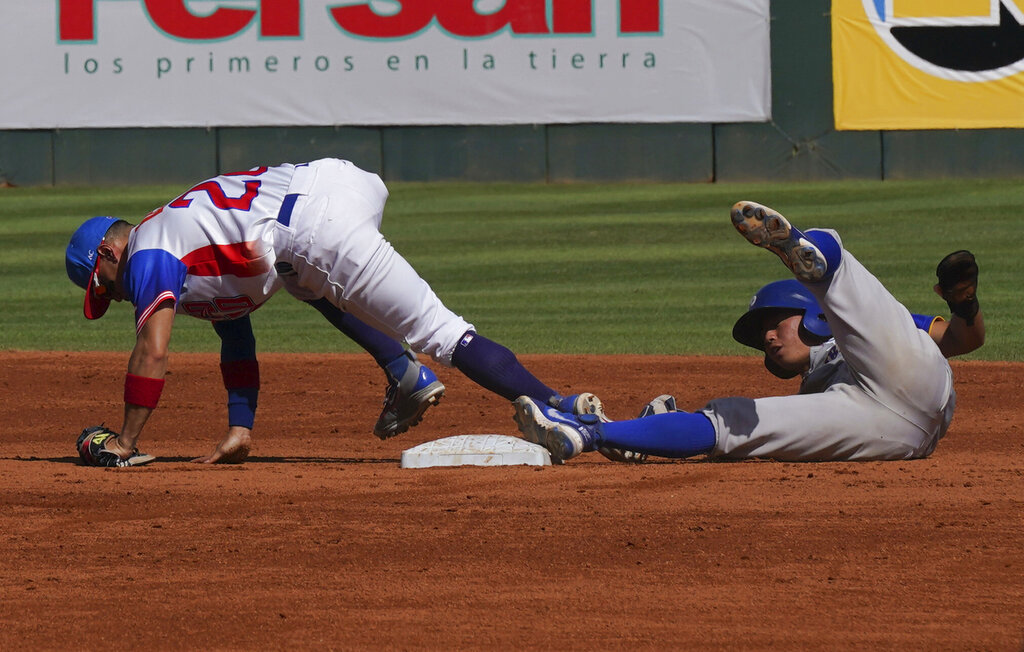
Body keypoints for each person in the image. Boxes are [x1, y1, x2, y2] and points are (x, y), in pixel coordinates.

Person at [65, 158, 605, 466]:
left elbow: (152, 350)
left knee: (442, 332)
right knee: (304, 281)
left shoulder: (151, 252)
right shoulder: (188, 247)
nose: (112, 297)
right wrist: (240, 428)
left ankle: (558, 406)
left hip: (316, 223)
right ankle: (403, 371)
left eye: (103, 286)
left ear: (111, 254)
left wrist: (126, 441)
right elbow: (235, 333)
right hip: (334, 188)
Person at [513, 201, 984, 463]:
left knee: (846, 282)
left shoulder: (861, 335)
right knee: (731, 423)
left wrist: (965, 307)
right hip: (881, 434)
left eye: (775, 323)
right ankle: (591, 434)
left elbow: (967, 340)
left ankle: (814, 260)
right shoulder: (813, 389)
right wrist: (634, 437)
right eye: (763, 338)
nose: (769, 340)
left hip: (913, 382)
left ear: (811, 316)